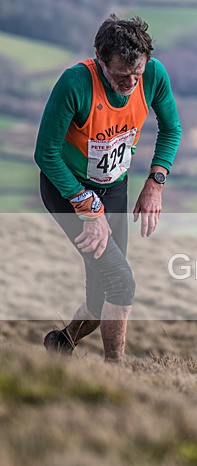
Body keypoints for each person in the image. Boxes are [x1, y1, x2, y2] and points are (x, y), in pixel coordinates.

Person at [34, 14, 181, 363]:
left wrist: (155, 183)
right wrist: (87, 207)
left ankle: (61, 343)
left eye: (137, 74)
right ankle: (116, 371)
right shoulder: (75, 84)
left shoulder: (154, 75)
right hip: (67, 189)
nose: (131, 83)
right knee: (122, 284)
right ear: (100, 59)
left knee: (103, 297)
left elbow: (171, 128)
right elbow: (46, 153)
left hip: (114, 186)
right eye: (120, 75)